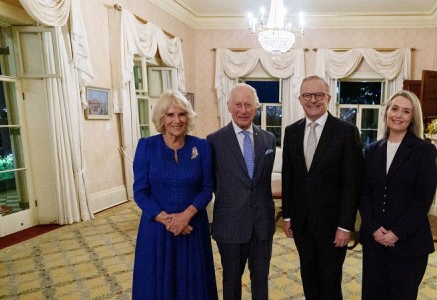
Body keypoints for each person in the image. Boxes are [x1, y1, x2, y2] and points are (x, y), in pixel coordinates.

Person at [281, 75, 363, 300]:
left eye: (318, 95)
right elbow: (289, 177)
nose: (313, 100)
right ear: (300, 99)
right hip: (302, 224)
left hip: (333, 227)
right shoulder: (291, 131)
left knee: (330, 282)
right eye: (307, 95)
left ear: (328, 98)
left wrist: (345, 226)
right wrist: (287, 216)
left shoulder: (346, 132)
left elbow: (352, 183)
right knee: (309, 278)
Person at [131, 91, 217, 300]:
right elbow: (140, 192)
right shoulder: (146, 146)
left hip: (192, 229)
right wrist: (168, 220)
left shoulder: (201, 146)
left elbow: (207, 188)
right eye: (170, 115)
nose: (176, 120)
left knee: (194, 285)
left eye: (181, 114)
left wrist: (186, 216)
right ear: (161, 118)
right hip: (157, 231)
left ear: (188, 117)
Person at [359, 90, 437, 300]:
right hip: (374, 242)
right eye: (394, 108)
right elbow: (364, 194)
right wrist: (374, 228)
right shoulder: (371, 150)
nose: (398, 115)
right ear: (386, 112)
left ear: (413, 118)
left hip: (409, 243)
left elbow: (422, 200)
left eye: (406, 111)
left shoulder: (425, 151)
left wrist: (396, 233)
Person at [207, 83, 277, 300]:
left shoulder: (268, 140)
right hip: (229, 226)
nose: (243, 110)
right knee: (231, 282)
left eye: (248, 105)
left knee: (261, 282)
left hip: (262, 226)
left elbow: (261, 182)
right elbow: (208, 183)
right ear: (228, 106)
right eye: (238, 104)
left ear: (256, 108)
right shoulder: (213, 141)